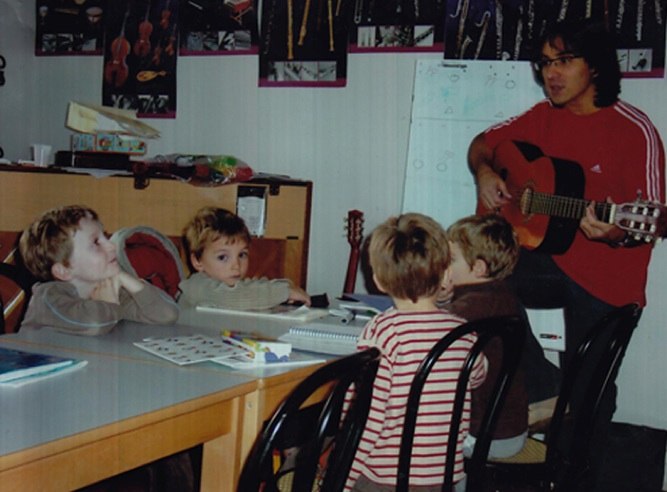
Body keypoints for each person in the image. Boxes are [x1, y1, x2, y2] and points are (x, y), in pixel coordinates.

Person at [467, 19, 665, 484]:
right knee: (472, 279)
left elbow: (655, 216)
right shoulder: (540, 116)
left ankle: (576, 476)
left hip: (607, 273)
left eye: (564, 61)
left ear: (594, 66)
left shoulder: (634, 129)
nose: (550, 74)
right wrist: (484, 174)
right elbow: (482, 145)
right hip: (543, 258)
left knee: (594, 383)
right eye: (545, 64)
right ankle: (549, 387)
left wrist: (616, 232)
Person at [345, 213, 486, 492]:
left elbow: (364, 419)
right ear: (446, 275)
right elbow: (479, 374)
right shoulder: (464, 331)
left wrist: (344, 481)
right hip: (444, 478)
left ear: (379, 282)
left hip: (384, 481)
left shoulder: (382, 332)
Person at [443, 213, 529, 459]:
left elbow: (433, 326)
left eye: (451, 260)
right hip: (506, 429)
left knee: (418, 445)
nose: (442, 266)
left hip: (485, 436)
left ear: (478, 268)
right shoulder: (498, 294)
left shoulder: (476, 304)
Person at [19, 205, 179, 335]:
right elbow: (94, 323)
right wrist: (108, 303)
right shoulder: (47, 298)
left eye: (106, 236)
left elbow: (167, 314)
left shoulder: (108, 288)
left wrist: (128, 280)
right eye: (96, 242)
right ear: (64, 270)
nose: (111, 245)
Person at [178, 206, 310, 309]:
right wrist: (283, 293)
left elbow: (250, 286)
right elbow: (236, 296)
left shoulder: (230, 283)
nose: (236, 265)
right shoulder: (197, 286)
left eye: (241, 255)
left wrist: (285, 286)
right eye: (223, 257)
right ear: (197, 261)